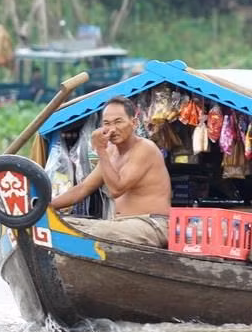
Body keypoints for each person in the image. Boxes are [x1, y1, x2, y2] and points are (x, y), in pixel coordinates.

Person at [51, 96, 172, 247]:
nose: (112, 129)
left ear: (133, 123)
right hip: (121, 226)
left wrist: (100, 150)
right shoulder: (111, 152)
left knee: (94, 231)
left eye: (118, 122)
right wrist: (46, 207)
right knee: (59, 224)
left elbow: (117, 189)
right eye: (107, 124)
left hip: (153, 224)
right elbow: (83, 188)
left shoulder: (145, 148)